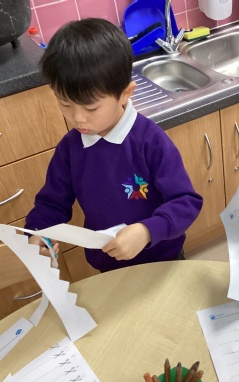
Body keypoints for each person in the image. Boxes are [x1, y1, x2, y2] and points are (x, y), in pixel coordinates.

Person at [25, 18, 203, 273]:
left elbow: (185, 201)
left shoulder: (150, 141)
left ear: (125, 93)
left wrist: (147, 231)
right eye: (65, 104)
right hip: (109, 266)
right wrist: (38, 233)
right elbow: (51, 204)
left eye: (91, 108)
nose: (78, 118)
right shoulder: (70, 149)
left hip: (164, 260)